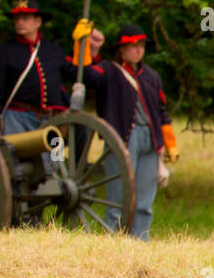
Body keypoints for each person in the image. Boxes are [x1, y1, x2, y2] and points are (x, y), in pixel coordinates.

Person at [75, 22, 179, 240]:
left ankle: (140, 242)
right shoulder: (109, 70)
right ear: (122, 49)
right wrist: (84, 48)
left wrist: (170, 143)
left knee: (144, 202)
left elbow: (161, 112)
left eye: (141, 45)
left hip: (150, 140)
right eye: (133, 45)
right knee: (117, 198)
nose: (138, 49)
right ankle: (113, 241)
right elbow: (87, 75)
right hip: (122, 137)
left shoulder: (152, 76)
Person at [0, 0, 83, 135]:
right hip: (17, 119)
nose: (20, 22)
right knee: (14, 156)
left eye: (25, 18)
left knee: (55, 157)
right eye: (17, 18)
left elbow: (77, 71)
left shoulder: (52, 49)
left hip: (52, 121)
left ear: (38, 21)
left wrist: (85, 45)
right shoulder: (3, 53)